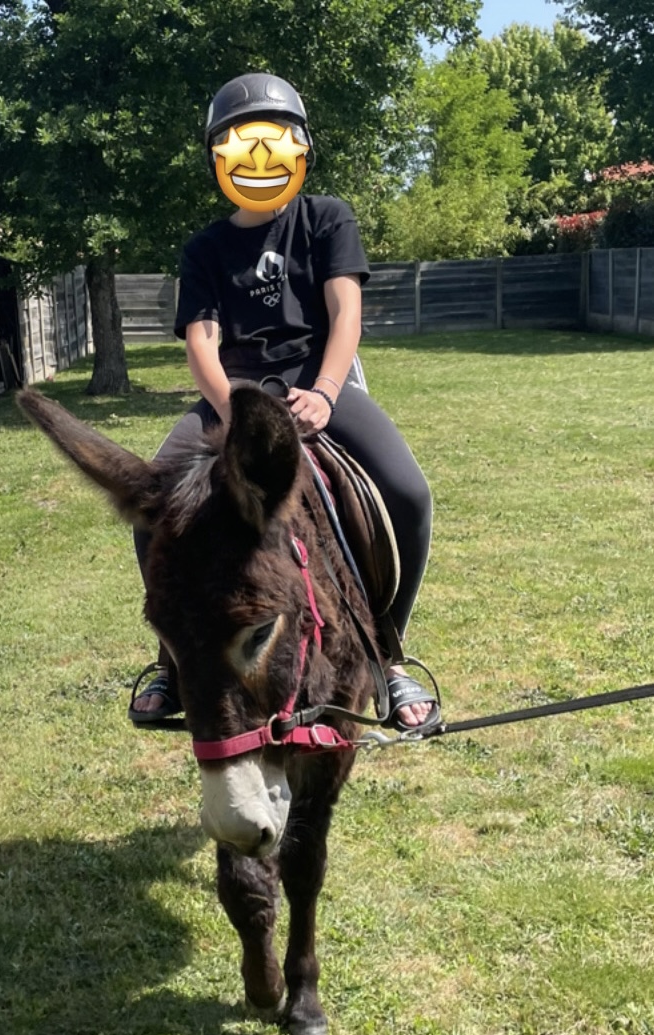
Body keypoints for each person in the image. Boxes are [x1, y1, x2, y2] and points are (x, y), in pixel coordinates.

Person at [130, 73, 436, 732]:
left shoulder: (327, 218)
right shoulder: (205, 250)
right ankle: (171, 662)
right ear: (220, 159)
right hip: (235, 396)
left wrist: (326, 392)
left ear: (300, 149)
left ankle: (389, 656)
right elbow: (202, 342)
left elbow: (345, 312)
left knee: (408, 494)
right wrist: (233, 412)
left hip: (318, 384)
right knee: (155, 507)